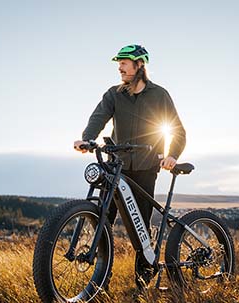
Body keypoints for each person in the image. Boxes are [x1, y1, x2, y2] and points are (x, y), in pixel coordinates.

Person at [73, 44, 186, 287]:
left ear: (140, 65)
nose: (120, 68)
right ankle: (100, 280)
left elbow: (177, 130)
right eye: (119, 63)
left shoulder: (159, 95)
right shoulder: (114, 94)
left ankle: (143, 280)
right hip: (116, 167)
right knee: (103, 218)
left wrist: (172, 155)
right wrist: (88, 138)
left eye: (124, 63)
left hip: (146, 167)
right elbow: (98, 117)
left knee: (140, 226)